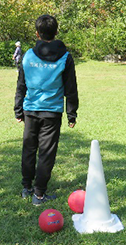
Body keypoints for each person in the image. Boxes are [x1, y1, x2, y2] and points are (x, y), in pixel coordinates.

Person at [14, 14, 78, 206]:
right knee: (46, 153)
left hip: (31, 111)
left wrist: (18, 110)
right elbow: (71, 88)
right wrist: (72, 113)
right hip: (51, 113)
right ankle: (38, 194)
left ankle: (27, 188)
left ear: (37, 33)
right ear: (56, 32)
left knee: (29, 149)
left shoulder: (28, 55)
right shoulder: (65, 57)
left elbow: (21, 85)